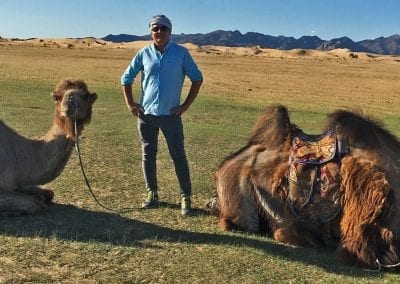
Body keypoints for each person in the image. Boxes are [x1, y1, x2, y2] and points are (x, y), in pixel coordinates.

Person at [121, 15, 203, 215]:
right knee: (148, 155)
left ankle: (185, 197)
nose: (159, 32)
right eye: (155, 28)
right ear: (151, 31)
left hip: (171, 116)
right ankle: (152, 193)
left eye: (163, 28)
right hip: (146, 115)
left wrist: (184, 106)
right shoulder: (143, 53)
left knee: (178, 156)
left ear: (170, 31)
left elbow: (197, 79)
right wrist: (131, 103)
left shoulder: (181, 53)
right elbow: (126, 78)